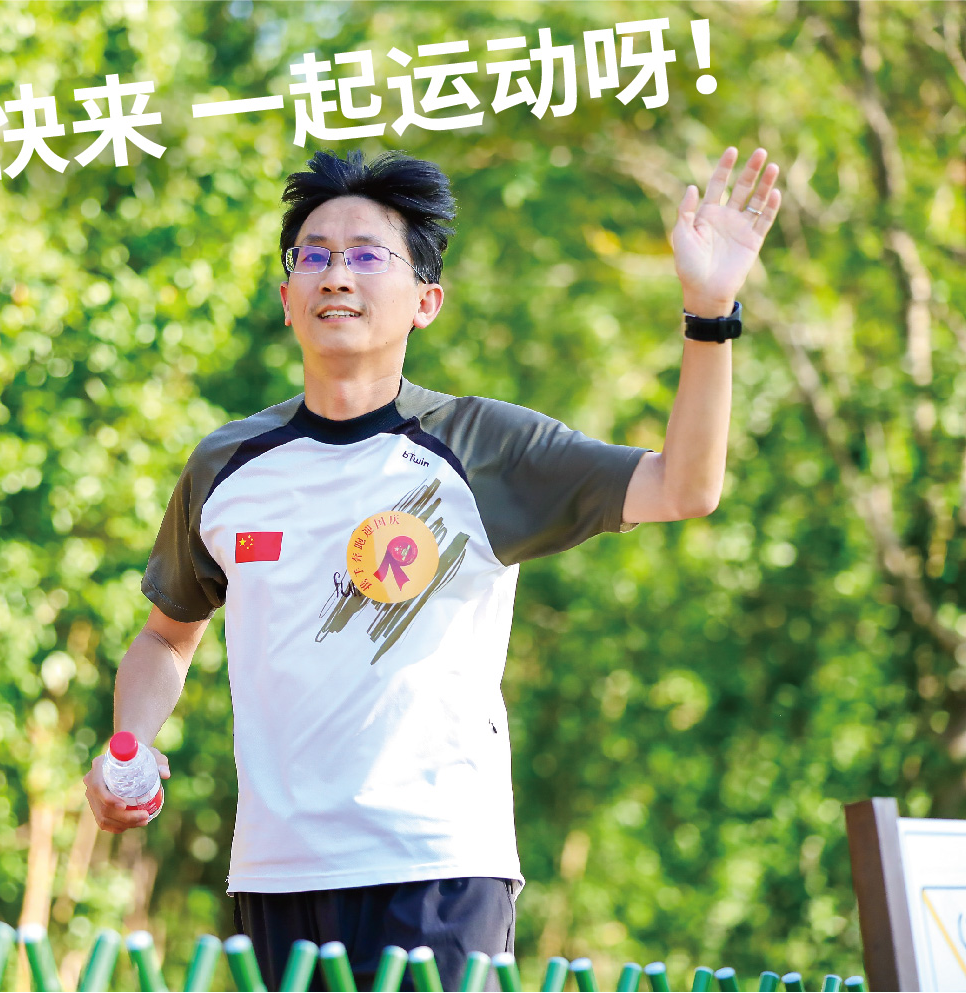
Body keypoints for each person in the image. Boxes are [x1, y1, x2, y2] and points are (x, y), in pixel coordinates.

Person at [84, 147, 781, 989]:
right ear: (286, 298)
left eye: (366, 254)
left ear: (426, 300)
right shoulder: (227, 465)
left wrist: (708, 315)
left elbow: (684, 486)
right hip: (276, 874)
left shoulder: (482, 447)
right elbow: (166, 637)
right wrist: (129, 743)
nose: (336, 274)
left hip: (436, 866)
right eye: (313, 255)